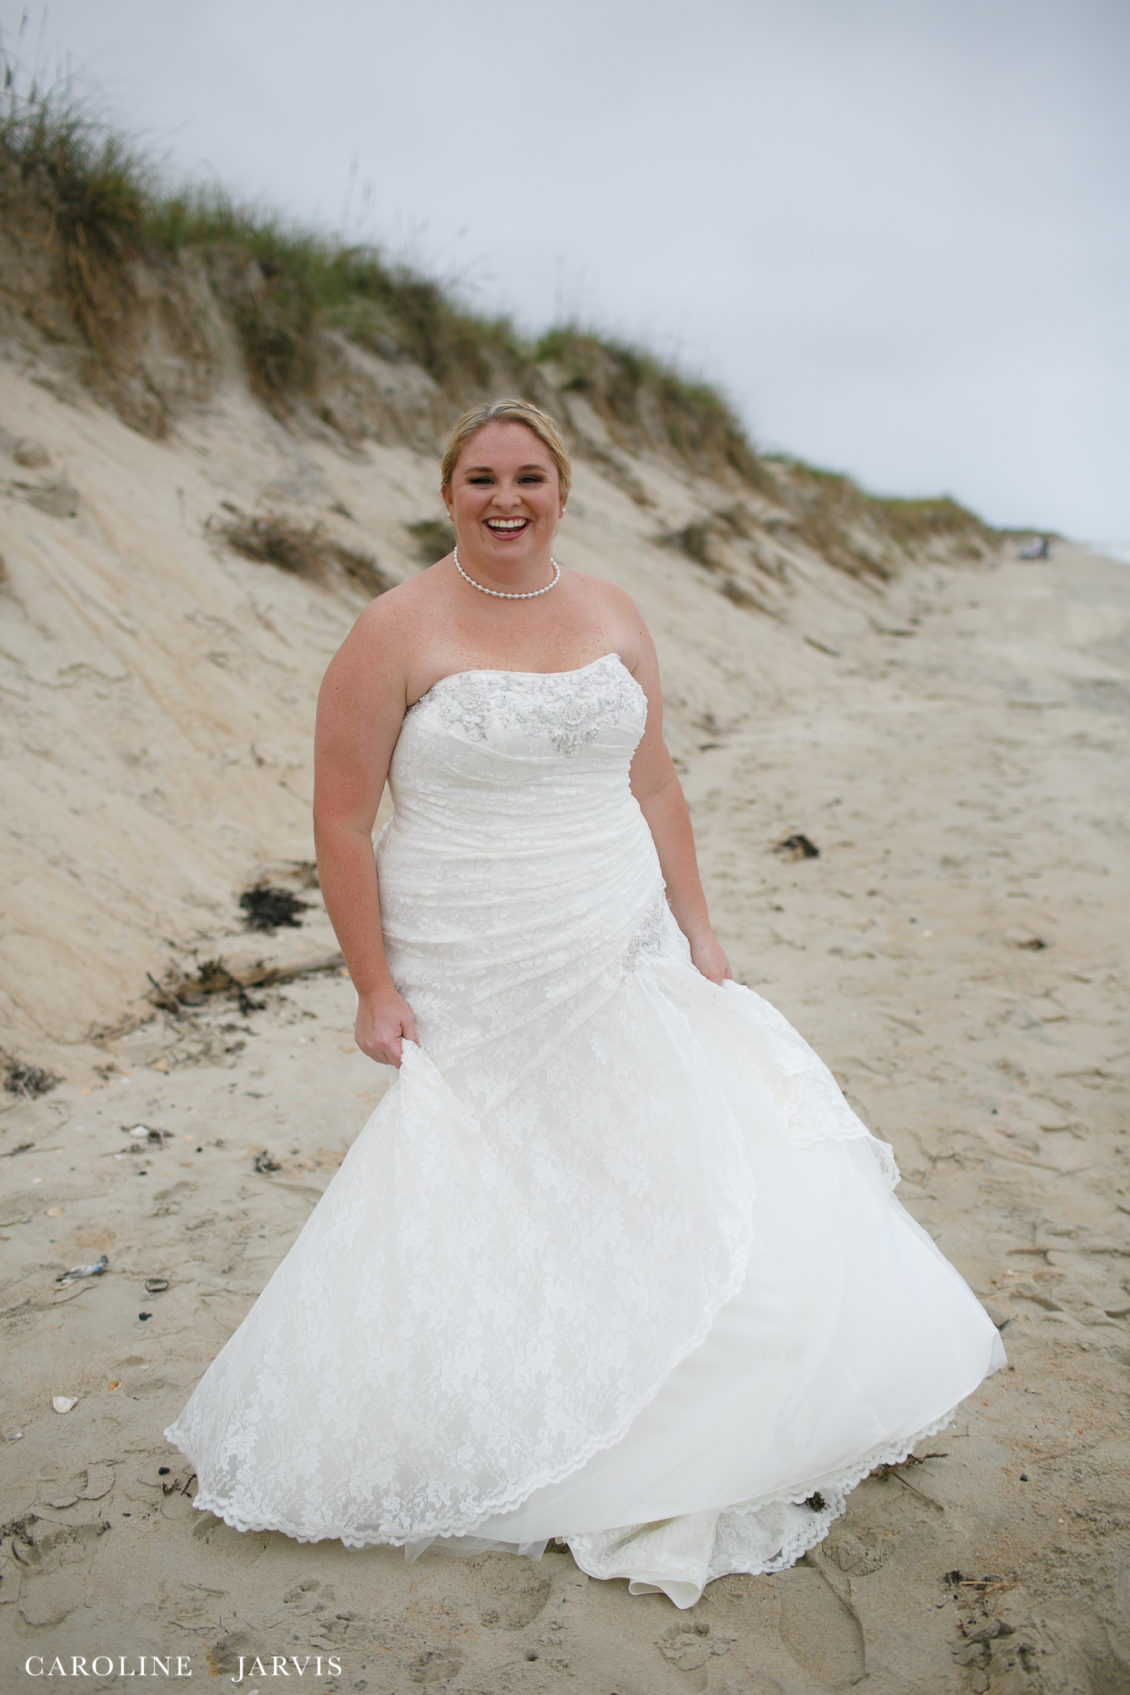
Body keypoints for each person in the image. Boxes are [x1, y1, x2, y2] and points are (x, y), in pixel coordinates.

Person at [166, 398, 1005, 1608]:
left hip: (613, 923)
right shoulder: (391, 628)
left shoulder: (613, 611)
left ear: (562, 488)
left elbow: (653, 782)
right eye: (479, 478)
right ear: (445, 490)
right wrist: (371, 985)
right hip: (469, 939)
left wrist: (698, 923)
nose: (504, 497)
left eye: (528, 476)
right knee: (505, 1169)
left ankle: (709, 1397)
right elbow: (342, 821)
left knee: (664, 1146)